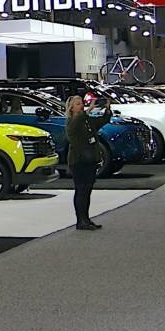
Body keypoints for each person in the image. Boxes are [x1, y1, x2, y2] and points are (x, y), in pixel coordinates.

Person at [65, 94, 111, 231]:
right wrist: (88, 110)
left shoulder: (86, 120)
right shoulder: (71, 121)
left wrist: (107, 110)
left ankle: (86, 218)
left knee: (87, 190)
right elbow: (77, 122)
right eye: (78, 104)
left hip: (90, 159)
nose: (81, 106)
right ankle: (80, 220)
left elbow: (101, 121)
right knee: (81, 190)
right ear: (71, 108)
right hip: (78, 161)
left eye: (82, 103)